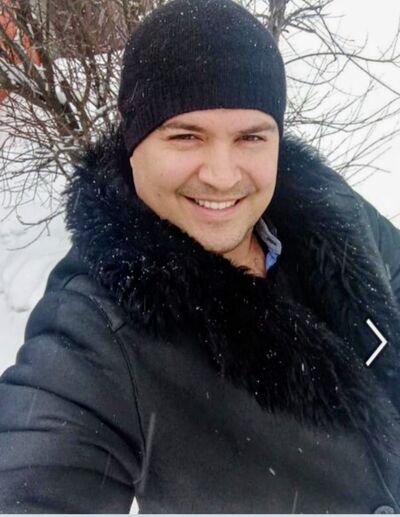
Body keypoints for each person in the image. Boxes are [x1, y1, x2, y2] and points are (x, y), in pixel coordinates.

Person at [1, 0, 400, 513]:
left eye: (250, 137)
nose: (222, 175)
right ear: (134, 141)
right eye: (186, 136)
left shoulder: (325, 206)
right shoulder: (96, 335)